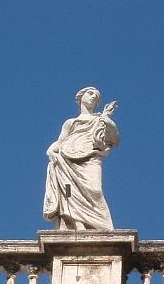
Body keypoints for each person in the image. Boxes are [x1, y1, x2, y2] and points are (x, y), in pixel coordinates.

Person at [43, 87, 120, 230]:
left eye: (96, 96)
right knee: (69, 192)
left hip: (90, 157)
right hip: (68, 158)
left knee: (95, 191)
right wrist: (50, 151)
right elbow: (60, 141)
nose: (93, 97)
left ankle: (99, 225)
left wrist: (107, 120)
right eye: (90, 94)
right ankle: (77, 224)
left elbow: (115, 139)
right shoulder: (71, 122)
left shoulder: (100, 120)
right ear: (80, 97)